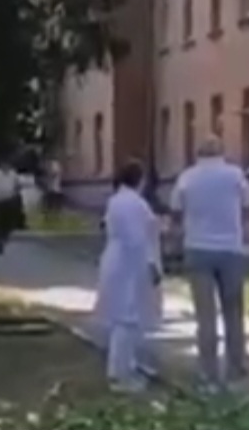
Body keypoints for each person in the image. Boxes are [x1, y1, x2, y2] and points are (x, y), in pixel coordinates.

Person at [170, 135, 249, 390]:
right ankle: (235, 366)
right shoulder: (234, 175)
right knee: (233, 311)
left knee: (205, 315)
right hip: (230, 249)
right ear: (221, 152)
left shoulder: (187, 177)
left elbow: (175, 209)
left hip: (197, 248)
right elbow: (247, 202)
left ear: (198, 154)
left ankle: (208, 370)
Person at [93, 159, 162, 394]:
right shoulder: (135, 203)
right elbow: (137, 238)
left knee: (122, 317)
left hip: (117, 260)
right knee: (128, 318)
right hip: (129, 264)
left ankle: (127, 366)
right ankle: (119, 374)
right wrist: (151, 264)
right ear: (140, 180)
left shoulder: (116, 200)